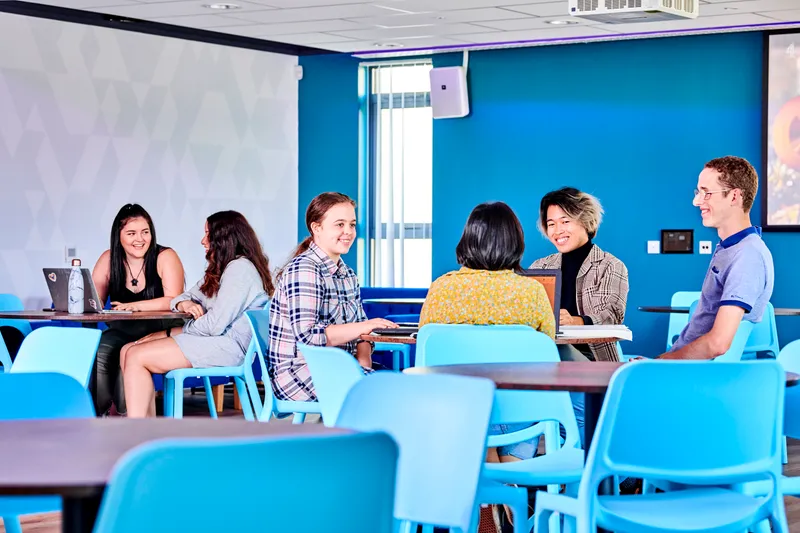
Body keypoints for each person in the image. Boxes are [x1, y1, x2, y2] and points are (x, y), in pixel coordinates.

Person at [420, 201, 556, 531]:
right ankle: (508, 485)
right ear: (515, 242)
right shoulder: (532, 293)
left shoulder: (441, 289)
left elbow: (426, 354)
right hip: (520, 419)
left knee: (475, 405)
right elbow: (547, 352)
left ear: (467, 239)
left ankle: (488, 491)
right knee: (520, 405)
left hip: (459, 417)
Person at [121, 211, 273, 418]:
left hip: (229, 347)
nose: (203, 241)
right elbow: (181, 297)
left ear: (224, 238)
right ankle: (145, 426)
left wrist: (172, 333)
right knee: (127, 349)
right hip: (213, 341)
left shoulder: (240, 270)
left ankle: (137, 429)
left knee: (136, 355)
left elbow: (214, 325)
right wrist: (184, 303)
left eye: (208, 234)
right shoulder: (220, 269)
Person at [268, 192, 396, 402]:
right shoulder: (305, 269)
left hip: (340, 366)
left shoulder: (348, 274)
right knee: (390, 393)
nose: (348, 232)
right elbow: (308, 337)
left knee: (401, 386)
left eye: (352, 225)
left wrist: (363, 362)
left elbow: (362, 330)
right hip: (299, 373)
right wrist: (364, 327)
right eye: (339, 224)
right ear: (316, 228)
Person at [655, 156, 774, 360]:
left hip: (694, 373)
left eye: (707, 193)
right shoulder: (731, 248)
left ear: (734, 196)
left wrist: (659, 364)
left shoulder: (748, 256)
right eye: (698, 193)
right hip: (683, 368)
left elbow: (718, 343)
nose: (696, 202)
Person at [89, 204, 185, 416]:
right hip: (122, 329)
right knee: (99, 351)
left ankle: (129, 415)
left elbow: (174, 300)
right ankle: (97, 413)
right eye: (131, 233)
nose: (140, 239)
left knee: (130, 353)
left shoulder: (165, 256)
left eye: (145, 232)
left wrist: (136, 306)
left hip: (160, 330)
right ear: (119, 236)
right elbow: (93, 301)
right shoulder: (108, 259)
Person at [531, 187, 629, 364]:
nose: (557, 231)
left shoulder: (610, 265)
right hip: (545, 355)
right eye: (551, 224)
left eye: (565, 221)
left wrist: (574, 321)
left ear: (585, 221)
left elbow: (611, 315)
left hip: (593, 358)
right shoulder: (540, 266)